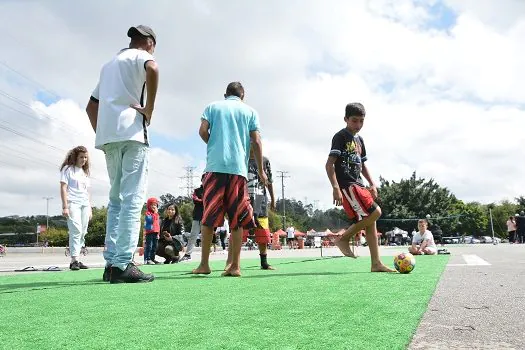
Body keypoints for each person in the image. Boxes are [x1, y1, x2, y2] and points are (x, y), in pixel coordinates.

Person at [85, 25, 159, 283]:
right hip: (133, 134)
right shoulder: (142, 57)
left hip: (108, 138)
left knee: (115, 200)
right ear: (149, 43)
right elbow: (154, 69)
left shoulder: (108, 66)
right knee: (132, 199)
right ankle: (124, 263)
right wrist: (149, 109)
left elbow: (90, 106)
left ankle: (111, 264)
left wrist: (102, 132)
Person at [192, 82, 267, 277]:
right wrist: (260, 170)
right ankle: (235, 266)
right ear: (243, 96)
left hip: (214, 168)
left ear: (225, 94)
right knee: (237, 219)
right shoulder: (250, 111)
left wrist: (214, 145)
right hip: (238, 170)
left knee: (208, 217)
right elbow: (257, 141)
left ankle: (204, 265)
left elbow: (202, 131)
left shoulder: (212, 107)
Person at [325, 102, 395, 272]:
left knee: (372, 223)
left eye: (361, 121)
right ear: (345, 119)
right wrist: (335, 188)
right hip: (348, 184)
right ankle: (344, 238)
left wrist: (372, 183)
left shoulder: (359, 140)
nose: (358, 125)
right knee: (375, 212)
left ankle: (376, 263)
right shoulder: (340, 137)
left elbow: (362, 165)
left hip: (360, 183)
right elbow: (329, 165)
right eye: (354, 121)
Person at [227, 148, 276, 270]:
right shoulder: (240, 159)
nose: (252, 145)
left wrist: (273, 200)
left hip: (261, 201)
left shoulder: (264, 161)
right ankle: (231, 261)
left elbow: (269, 182)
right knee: (237, 233)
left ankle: (264, 262)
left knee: (263, 233)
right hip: (242, 200)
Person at [60, 146, 92, 271]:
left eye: (85, 157)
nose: (83, 159)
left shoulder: (84, 173)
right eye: (81, 157)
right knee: (76, 230)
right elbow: (63, 188)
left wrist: (90, 208)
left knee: (83, 231)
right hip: (72, 203)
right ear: (75, 157)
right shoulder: (68, 170)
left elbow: (87, 192)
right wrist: (65, 206)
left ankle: (78, 259)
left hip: (84, 204)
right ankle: (74, 260)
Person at [180, 184, 204, 262]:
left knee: (207, 237)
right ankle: (188, 255)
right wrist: (204, 200)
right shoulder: (197, 191)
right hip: (197, 216)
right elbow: (195, 199)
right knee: (193, 235)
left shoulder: (211, 189)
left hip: (207, 216)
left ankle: (205, 257)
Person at [143, 197, 161, 265]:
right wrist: (155, 213)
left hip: (155, 232)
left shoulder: (156, 214)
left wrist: (158, 233)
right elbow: (150, 220)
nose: (154, 206)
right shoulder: (148, 213)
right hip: (150, 232)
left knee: (154, 246)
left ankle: (152, 259)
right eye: (152, 204)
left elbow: (157, 224)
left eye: (155, 205)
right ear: (148, 205)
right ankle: (148, 259)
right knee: (149, 246)